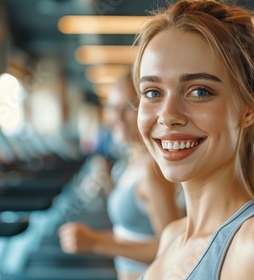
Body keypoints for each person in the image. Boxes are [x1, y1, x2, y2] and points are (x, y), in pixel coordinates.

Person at [132, 0, 254, 279]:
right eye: (153, 92)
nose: (168, 116)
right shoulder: (172, 236)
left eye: (199, 91)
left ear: (249, 107)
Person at [58, 72, 183, 280]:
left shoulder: (151, 170)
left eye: (127, 107)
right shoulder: (131, 162)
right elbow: (131, 229)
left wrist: (96, 242)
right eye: (111, 107)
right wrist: (108, 180)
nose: (116, 117)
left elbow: (172, 249)